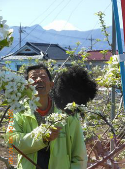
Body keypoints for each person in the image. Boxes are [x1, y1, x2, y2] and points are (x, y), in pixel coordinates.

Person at [5, 63, 90, 169]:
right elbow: (11, 142)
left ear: (51, 84)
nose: (39, 80)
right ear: (26, 86)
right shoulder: (18, 111)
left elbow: (79, 154)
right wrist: (42, 136)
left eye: (43, 77)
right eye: (33, 77)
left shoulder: (67, 112)